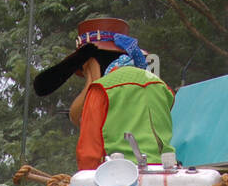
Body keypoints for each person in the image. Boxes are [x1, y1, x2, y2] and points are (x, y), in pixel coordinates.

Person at [33, 17, 176, 170]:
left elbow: (89, 155)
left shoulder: (101, 89)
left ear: (91, 63)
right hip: (167, 174)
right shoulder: (162, 87)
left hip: (121, 180)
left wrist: (92, 78)